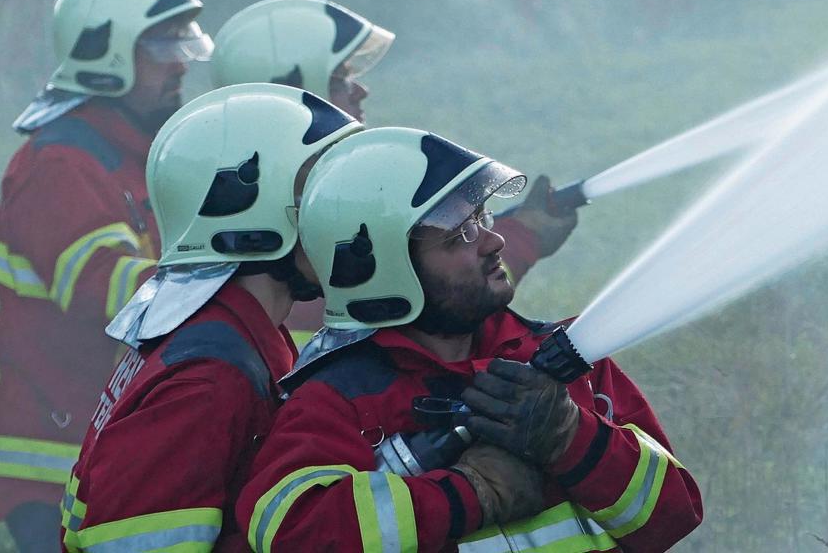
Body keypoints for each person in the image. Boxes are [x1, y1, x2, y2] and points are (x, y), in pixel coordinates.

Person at [236, 127, 703, 552]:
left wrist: (571, 436)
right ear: (384, 268)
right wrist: (470, 494)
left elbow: (673, 516)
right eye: (460, 234)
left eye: (483, 216)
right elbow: (291, 532)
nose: (493, 241)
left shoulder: (571, 358)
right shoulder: (340, 401)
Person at [59, 83, 362, 552]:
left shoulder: (235, 334)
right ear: (251, 216)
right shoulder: (209, 377)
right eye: (317, 194)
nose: (341, 214)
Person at [0, 0, 212, 551]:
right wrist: (247, 275)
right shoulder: (61, 166)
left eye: (183, 43)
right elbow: (116, 297)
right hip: (51, 465)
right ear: (104, 54)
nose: (180, 62)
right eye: (161, 46)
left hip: (95, 452)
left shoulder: (127, 155)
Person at [211, 0, 579, 346]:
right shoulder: (262, 217)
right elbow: (409, 291)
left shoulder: (247, 191)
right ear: (291, 93)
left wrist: (475, 228)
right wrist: (521, 238)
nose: (362, 92)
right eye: (340, 80)